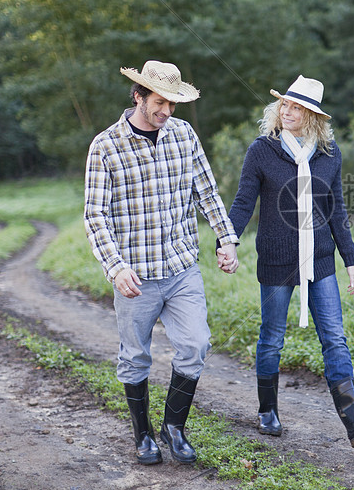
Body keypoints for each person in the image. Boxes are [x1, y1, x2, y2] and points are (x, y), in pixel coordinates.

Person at [84, 60, 240, 465]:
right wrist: (114, 267)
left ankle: (175, 427)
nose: (166, 112)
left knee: (196, 344)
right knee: (135, 356)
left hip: (181, 266)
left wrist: (226, 238)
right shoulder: (106, 146)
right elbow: (95, 215)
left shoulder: (183, 135)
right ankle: (143, 435)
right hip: (134, 273)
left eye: (172, 104)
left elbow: (207, 191)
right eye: (159, 102)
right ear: (138, 96)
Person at [222, 75, 354, 448]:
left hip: (321, 259)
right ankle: (268, 411)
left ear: (313, 116)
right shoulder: (262, 150)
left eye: (297, 107)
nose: (288, 111)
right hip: (277, 261)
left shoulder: (329, 156)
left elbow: (336, 209)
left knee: (334, 339)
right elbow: (244, 202)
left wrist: (351, 260)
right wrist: (228, 240)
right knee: (272, 339)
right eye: (285, 104)